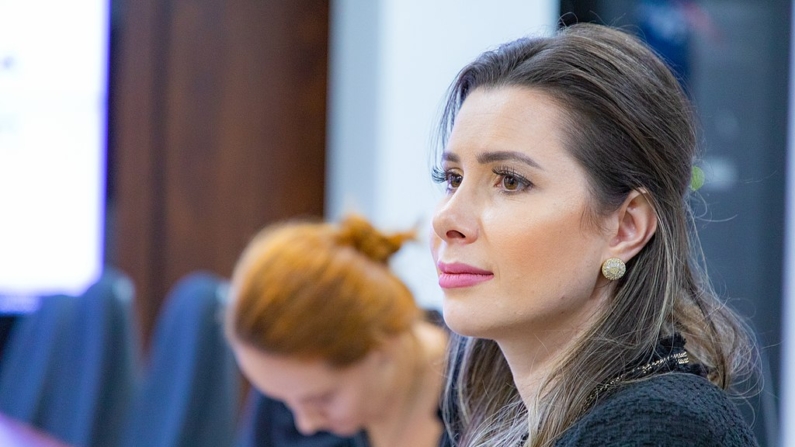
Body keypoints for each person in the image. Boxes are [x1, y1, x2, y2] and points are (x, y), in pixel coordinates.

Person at [429, 23, 759, 446]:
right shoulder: (517, 420)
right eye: (453, 178)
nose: (446, 220)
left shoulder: (659, 429)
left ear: (626, 227)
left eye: (510, 181)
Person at [226, 215, 451, 447]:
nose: (306, 424)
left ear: (382, 343)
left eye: (322, 399)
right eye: (283, 401)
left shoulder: (479, 395)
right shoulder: (286, 385)